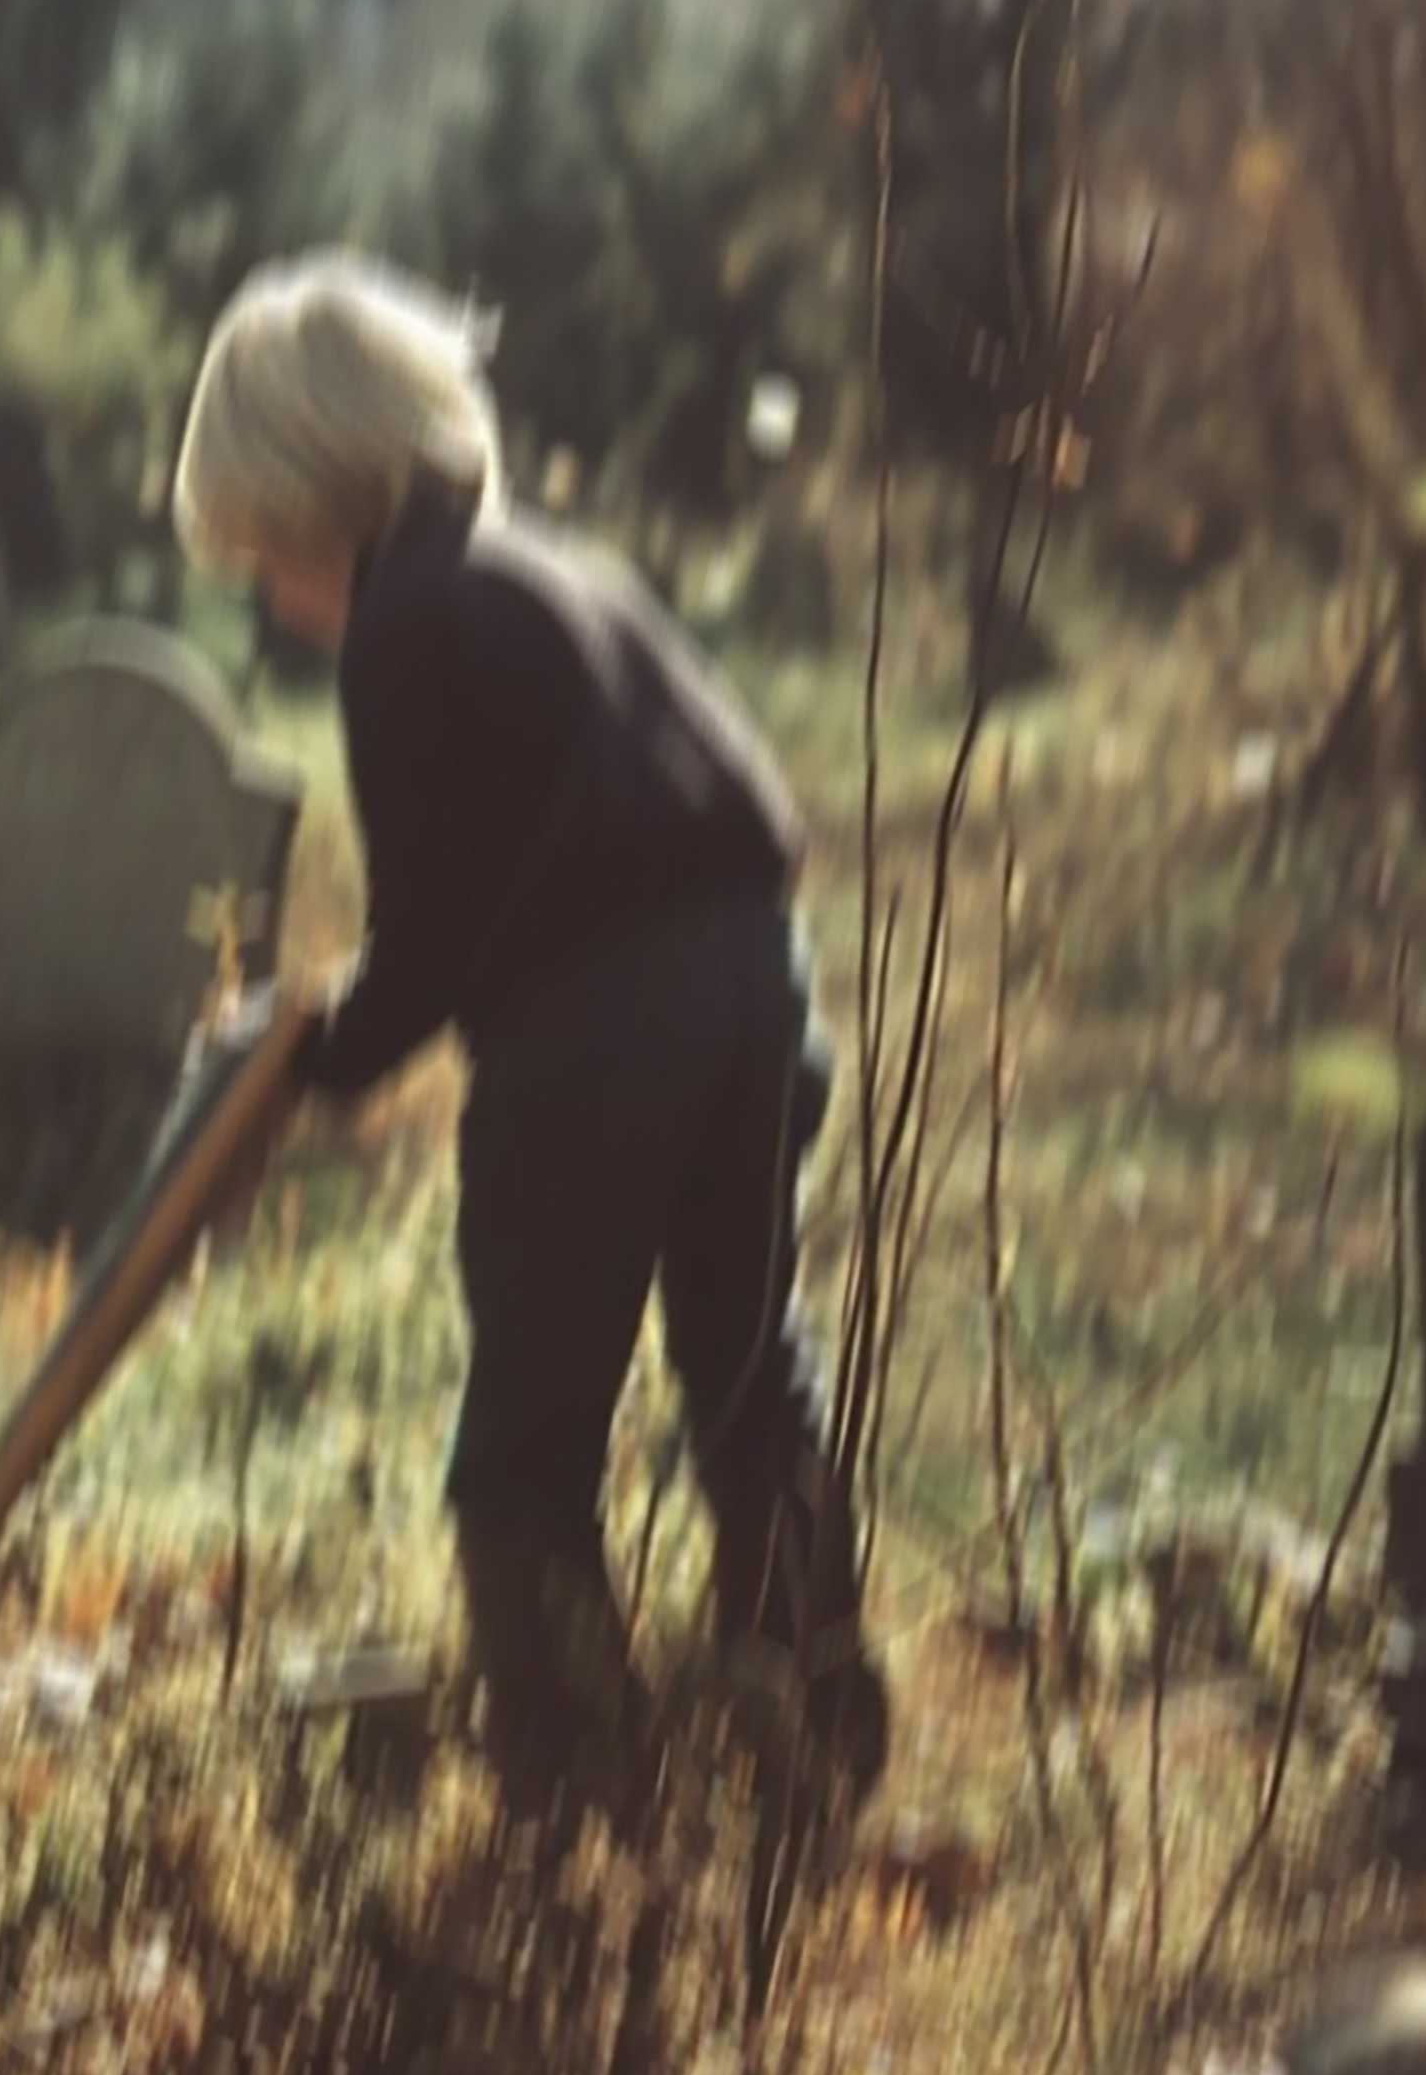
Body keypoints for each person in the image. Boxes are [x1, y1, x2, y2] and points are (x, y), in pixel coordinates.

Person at [170, 250, 890, 1840]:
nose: (271, 598)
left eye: (264, 554)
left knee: (521, 1445)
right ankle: (817, 1733)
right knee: (748, 1369)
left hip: (596, 1033)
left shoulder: (407, 622)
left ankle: (578, 1804)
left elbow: (428, 944)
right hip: (758, 985)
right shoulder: (556, 575)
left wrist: (300, 1054)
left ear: (314, 491)